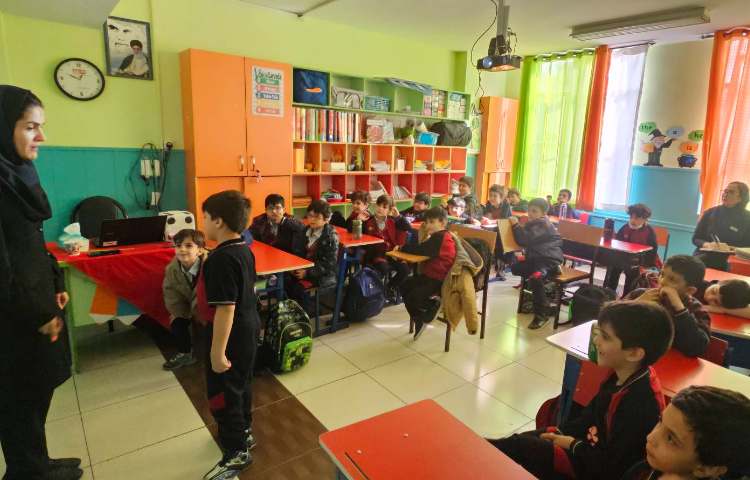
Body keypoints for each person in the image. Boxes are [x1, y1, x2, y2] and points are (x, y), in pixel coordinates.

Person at [489, 301, 674, 480]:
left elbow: (610, 468)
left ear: (634, 353)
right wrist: (559, 432)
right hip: (588, 450)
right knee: (519, 442)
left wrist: (572, 444)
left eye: (605, 337)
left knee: (520, 448)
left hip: (593, 468)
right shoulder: (621, 375)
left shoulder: (640, 404)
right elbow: (588, 417)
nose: (596, 340)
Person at [0, 86, 83, 480]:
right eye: (31, 127)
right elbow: (4, 266)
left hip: (34, 301)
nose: (42, 137)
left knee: (35, 394)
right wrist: (39, 313)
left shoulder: (15, 173)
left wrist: (54, 281)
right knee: (19, 399)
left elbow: (31, 243)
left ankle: (37, 462)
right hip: (15, 318)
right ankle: (27, 472)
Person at [200, 190, 259, 480]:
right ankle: (244, 431)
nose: (202, 222)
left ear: (219, 221)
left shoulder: (221, 259)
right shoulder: (242, 249)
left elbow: (225, 309)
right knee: (240, 384)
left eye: (205, 217)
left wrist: (217, 351)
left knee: (225, 392)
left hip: (231, 335)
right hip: (248, 329)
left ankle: (236, 451)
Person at [622, 386, 750, 480]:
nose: (650, 437)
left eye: (670, 439)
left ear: (704, 469)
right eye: (660, 421)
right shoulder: (644, 470)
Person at [626, 255, 710, 357]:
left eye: (672, 279)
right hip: (634, 356)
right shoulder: (640, 294)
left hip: (670, 362)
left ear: (689, 290)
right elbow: (611, 319)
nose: (662, 281)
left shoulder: (696, 309)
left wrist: (680, 309)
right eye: (662, 274)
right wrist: (636, 304)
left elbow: (698, 348)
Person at [399, 207, 458, 339]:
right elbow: (423, 249)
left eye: (432, 222)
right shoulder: (438, 236)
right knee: (404, 286)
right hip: (430, 275)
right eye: (427, 222)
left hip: (439, 279)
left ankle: (434, 305)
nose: (428, 225)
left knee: (413, 296)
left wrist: (402, 248)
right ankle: (420, 319)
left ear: (442, 223)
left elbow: (420, 250)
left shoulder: (440, 237)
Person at [509, 198, 564, 329]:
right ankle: (546, 305)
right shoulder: (535, 223)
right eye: (529, 210)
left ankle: (542, 315)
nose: (530, 213)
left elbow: (523, 240)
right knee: (515, 267)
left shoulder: (543, 223)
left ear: (543, 213)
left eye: (534, 211)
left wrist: (515, 225)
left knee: (536, 277)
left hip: (548, 258)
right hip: (537, 258)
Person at [162, 228, 207, 370]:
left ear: (200, 250)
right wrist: (182, 314)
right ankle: (185, 353)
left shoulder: (210, 266)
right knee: (177, 322)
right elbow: (171, 295)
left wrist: (200, 313)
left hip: (209, 306)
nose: (182, 249)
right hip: (187, 305)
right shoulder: (171, 270)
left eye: (188, 246)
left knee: (211, 328)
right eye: (178, 245)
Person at [286, 199, 339, 314]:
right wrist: (294, 268)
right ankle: (294, 310)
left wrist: (307, 272)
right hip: (305, 270)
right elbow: (297, 253)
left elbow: (329, 264)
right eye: (310, 216)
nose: (312, 219)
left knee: (297, 288)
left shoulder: (330, 237)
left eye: (317, 217)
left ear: (326, 219)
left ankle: (307, 311)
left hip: (322, 275)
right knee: (284, 280)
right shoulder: (304, 231)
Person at [603, 204, 661, 296]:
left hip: (640, 260)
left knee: (632, 274)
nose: (633, 220)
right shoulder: (625, 228)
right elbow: (617, 243)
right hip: (623, 257)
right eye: (631, 217)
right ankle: (610, 293)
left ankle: (626, 295)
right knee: (614, 269)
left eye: (637, 218)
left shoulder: (649, 231)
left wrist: (645, 264)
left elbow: (653, 250)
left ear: (644, 219)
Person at [692, 181, 750, 271]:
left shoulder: (747, 218)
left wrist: (730, 248)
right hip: (704, 257)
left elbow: (747, 246)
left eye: (731, 192)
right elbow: (696, 238)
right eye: (725, 191)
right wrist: (708, 244)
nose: (725, 194)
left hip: (732, 261)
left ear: (740, 198)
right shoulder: (710, 212)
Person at [363, 195, 411, 299]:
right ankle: (376, 290)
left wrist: (398, 216)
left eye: (384, 207)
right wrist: (359, 220)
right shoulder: (369, 220)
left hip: (392, 254)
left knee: (405, 269)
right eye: (379, 205)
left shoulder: (393, 221)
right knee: (383, 268)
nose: (380, 208)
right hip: (377, 255)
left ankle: (389, 287)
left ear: (390, 210)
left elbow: (408, 227)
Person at [481, 184, 513, 280]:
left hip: (504, 231)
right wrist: (484, 219)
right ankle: (487, 267)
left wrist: (491, 221)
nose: (492, 198)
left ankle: (500, 269)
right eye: (490, 195)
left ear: (501, 197)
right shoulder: (488, 204)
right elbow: (487, 216)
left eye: (495, 196)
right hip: (492, 229)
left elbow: (504, 220)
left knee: (499, 247)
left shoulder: (506, 205)